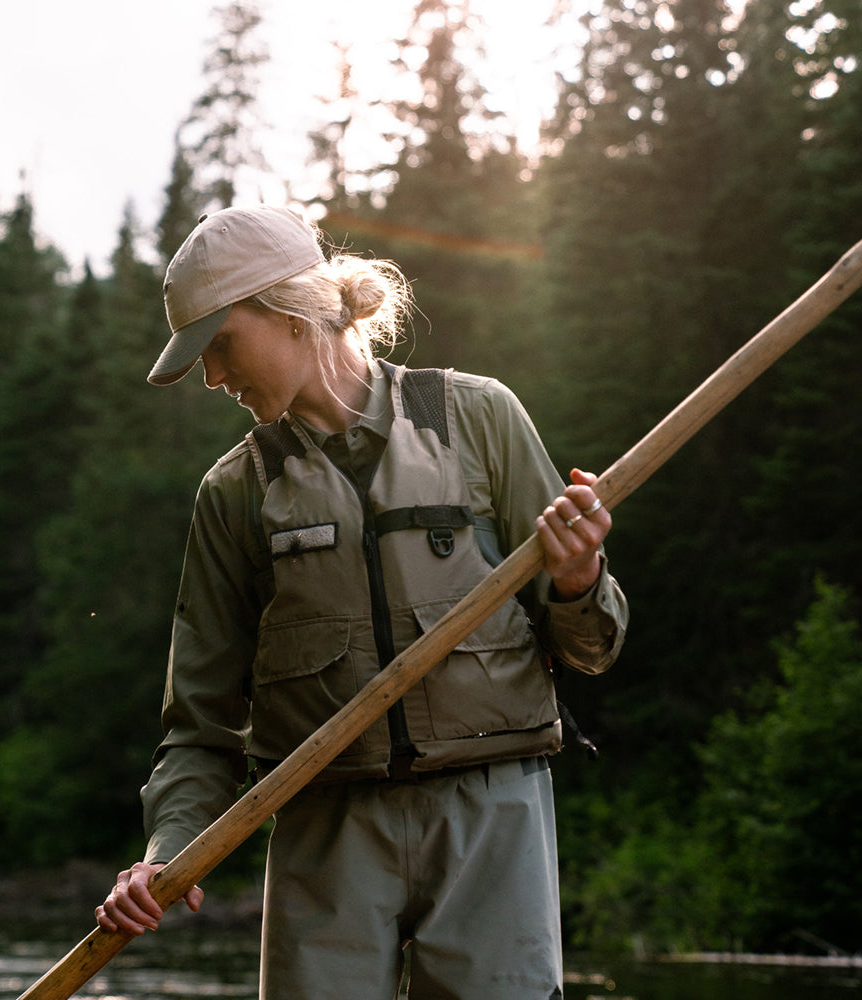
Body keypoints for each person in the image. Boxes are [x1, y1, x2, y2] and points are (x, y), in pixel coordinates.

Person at [96, 205, 628, 1000]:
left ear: (290, 312)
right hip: (324, 829)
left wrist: (580, 579)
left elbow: (593, 646)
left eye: (219, 345)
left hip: (491, 816)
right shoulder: (233, 494)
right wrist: (170, 850)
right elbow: (200, 722)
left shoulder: (479, 419)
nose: (212, 377)